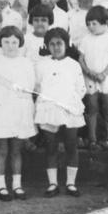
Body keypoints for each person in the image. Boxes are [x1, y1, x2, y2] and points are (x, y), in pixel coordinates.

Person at [0, 26, 36, 201]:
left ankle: (17, 185)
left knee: (16, 150)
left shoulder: (25, 63)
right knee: (2, 150)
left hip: (19, 111)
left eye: (14, 42)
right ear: (0, 43)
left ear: (20, 43)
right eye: (6, 42)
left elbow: (29, 87)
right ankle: (0, 186)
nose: (10, 46)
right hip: (1, 111)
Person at [35, 28, 86, 198]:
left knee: (71, 145)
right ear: (47, 46)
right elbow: (37, 86)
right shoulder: (41, 65)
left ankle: (71, 183)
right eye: (52, 44)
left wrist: (69, 102)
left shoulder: (73, 64)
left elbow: (80, 88)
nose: (56, 47)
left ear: (66, 44)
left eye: (59, 43)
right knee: (51, 147)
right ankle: (53, 184)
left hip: (69, 109)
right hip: (49, 109)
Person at [78, 6, 108, 151]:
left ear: (105, 22)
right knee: (91, 109)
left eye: (94, 23)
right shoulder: (86, 39)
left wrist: (103, 74)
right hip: (90, 79)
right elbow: (81, 58)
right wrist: (89, 72)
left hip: (106, 80)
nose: (91, 26)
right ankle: (92, 139)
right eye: (88, 24)